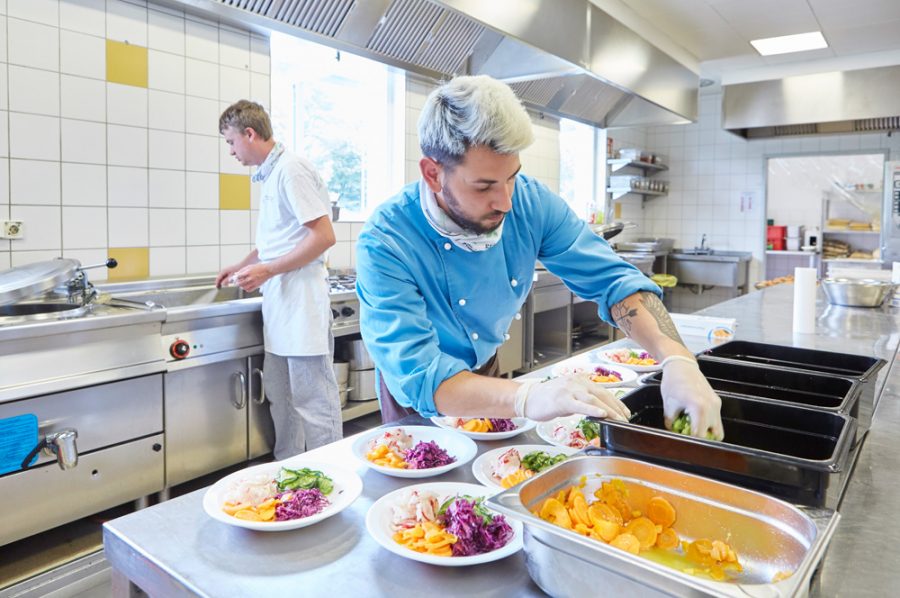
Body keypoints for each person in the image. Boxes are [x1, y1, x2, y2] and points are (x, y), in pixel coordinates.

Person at [356, 76, 724, 439]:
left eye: (512, 178)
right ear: (433, 174)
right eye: (484, 186)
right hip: (418, 395)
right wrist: (529, 396)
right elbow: (420, 375)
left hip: (486, 370)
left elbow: (613, 281)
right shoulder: (387, 240)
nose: (505, 202)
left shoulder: (533, 204)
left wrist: (677, 359)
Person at [216, 100, 342, 459]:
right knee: (282, 397)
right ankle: (289, 471)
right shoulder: (272, 175)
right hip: (281, 304)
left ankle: (332, 473)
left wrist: (268, 271)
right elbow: (275, 242)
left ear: (250, 134)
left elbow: (323, 237)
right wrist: (241, 265)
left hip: (301, 302)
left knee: (313, 401)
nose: (231, 151)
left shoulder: (292, 170)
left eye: (231, 142)